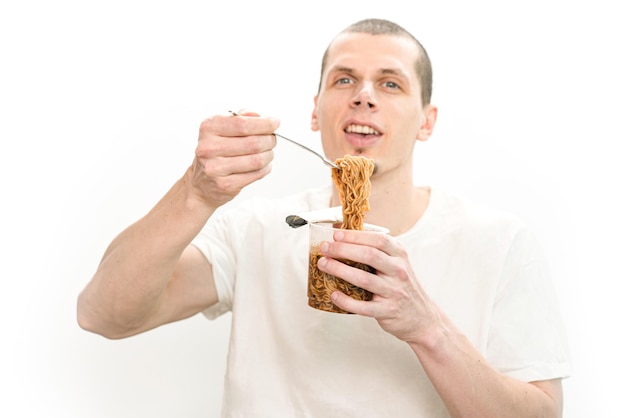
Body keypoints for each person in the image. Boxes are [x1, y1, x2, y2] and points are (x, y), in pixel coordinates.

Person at [77, 18, 571, 417]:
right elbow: (102, 315)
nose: (364, 96)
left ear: (427, 120)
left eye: (391, 83)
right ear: (316, 112)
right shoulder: (257, 230)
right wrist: (195, 192)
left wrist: (427, 327)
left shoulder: (498, 241)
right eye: (344, 79)